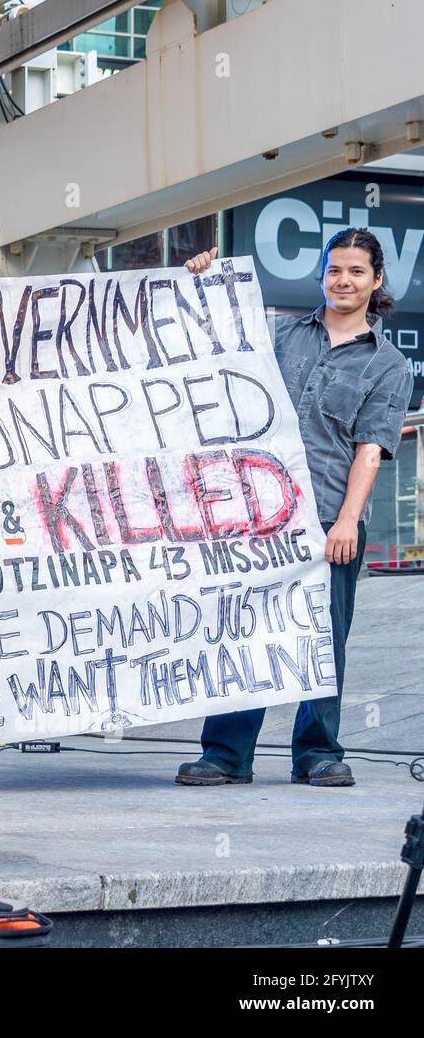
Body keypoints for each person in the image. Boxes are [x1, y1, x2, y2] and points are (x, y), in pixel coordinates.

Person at [176, 229, 413, 788]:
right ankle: (226, 754)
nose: (343, 281)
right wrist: (202, 280)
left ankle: (317, 754)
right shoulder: (280, 336)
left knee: (323, 636)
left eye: (356, 272)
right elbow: (215, 338)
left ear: (376, 281)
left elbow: (370, 450)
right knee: (246, 631)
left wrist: (350, 519)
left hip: (329, 518)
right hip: (257, 517)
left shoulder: (388, 365)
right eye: (335, 270)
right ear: (322, 276)